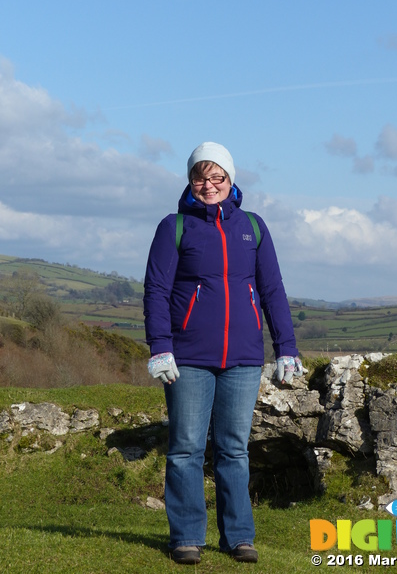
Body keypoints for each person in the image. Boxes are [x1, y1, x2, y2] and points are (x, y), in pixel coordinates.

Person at [143, 142, 303, 565]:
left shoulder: (253, 226)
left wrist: (286, 347)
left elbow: (272, 290)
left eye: (218, 177)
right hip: (189, 357)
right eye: (200, 177)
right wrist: (160, 346)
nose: (209, 185)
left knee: (234, 449)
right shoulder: (174, 226)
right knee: (185, 449)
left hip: (245, 358)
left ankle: (239, 537)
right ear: (190, 180)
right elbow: (157, 290)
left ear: (231, 181)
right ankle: (186, 537)